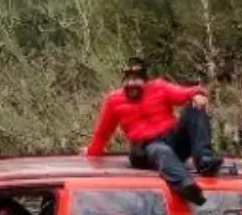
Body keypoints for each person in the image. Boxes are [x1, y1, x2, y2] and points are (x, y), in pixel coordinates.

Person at [84, 56, 230, 205]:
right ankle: (186, 186)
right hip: (143, 148)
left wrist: (198, 94)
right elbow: (102, 133)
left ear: (145, 81)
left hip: (170, 140)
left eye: (136, 80)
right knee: (160, 151)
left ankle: (204, 160)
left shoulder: (159, 87)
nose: (131, 84)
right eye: (128, 80)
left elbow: (183, 94)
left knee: (194, 107)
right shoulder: (113, 100)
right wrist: (91, 153)